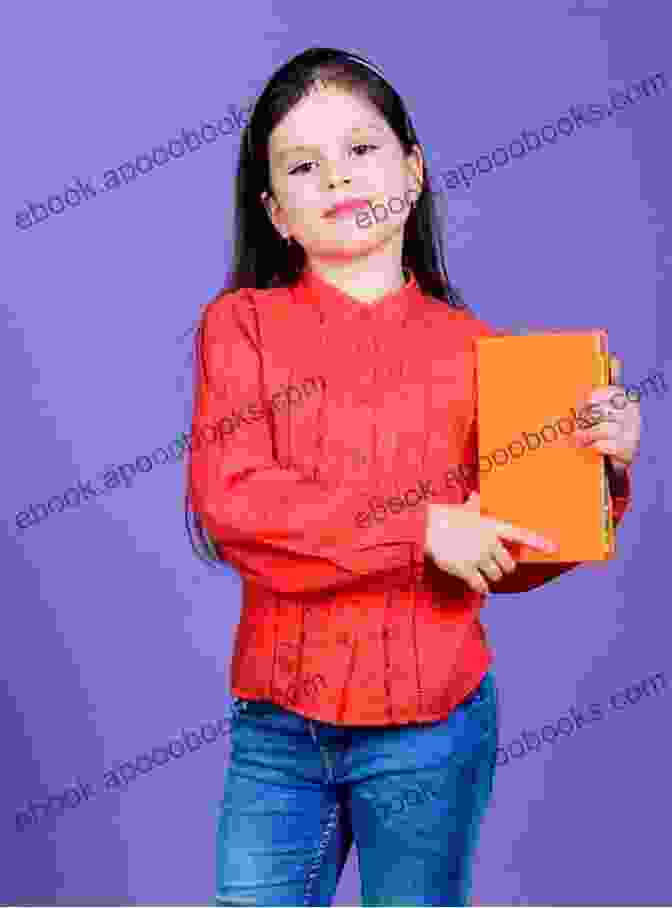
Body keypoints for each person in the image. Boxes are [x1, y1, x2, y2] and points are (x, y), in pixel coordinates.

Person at [184, 47, 638, 907]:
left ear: (414, 170)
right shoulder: (239, 326)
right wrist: (421, 528)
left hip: (436, 729)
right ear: (277, 211)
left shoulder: (482, 350)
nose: (339, 179)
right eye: (304, 165)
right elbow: (235, 501)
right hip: (283, 730)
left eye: (362, 150)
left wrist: (599, 476)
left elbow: (513, 553)